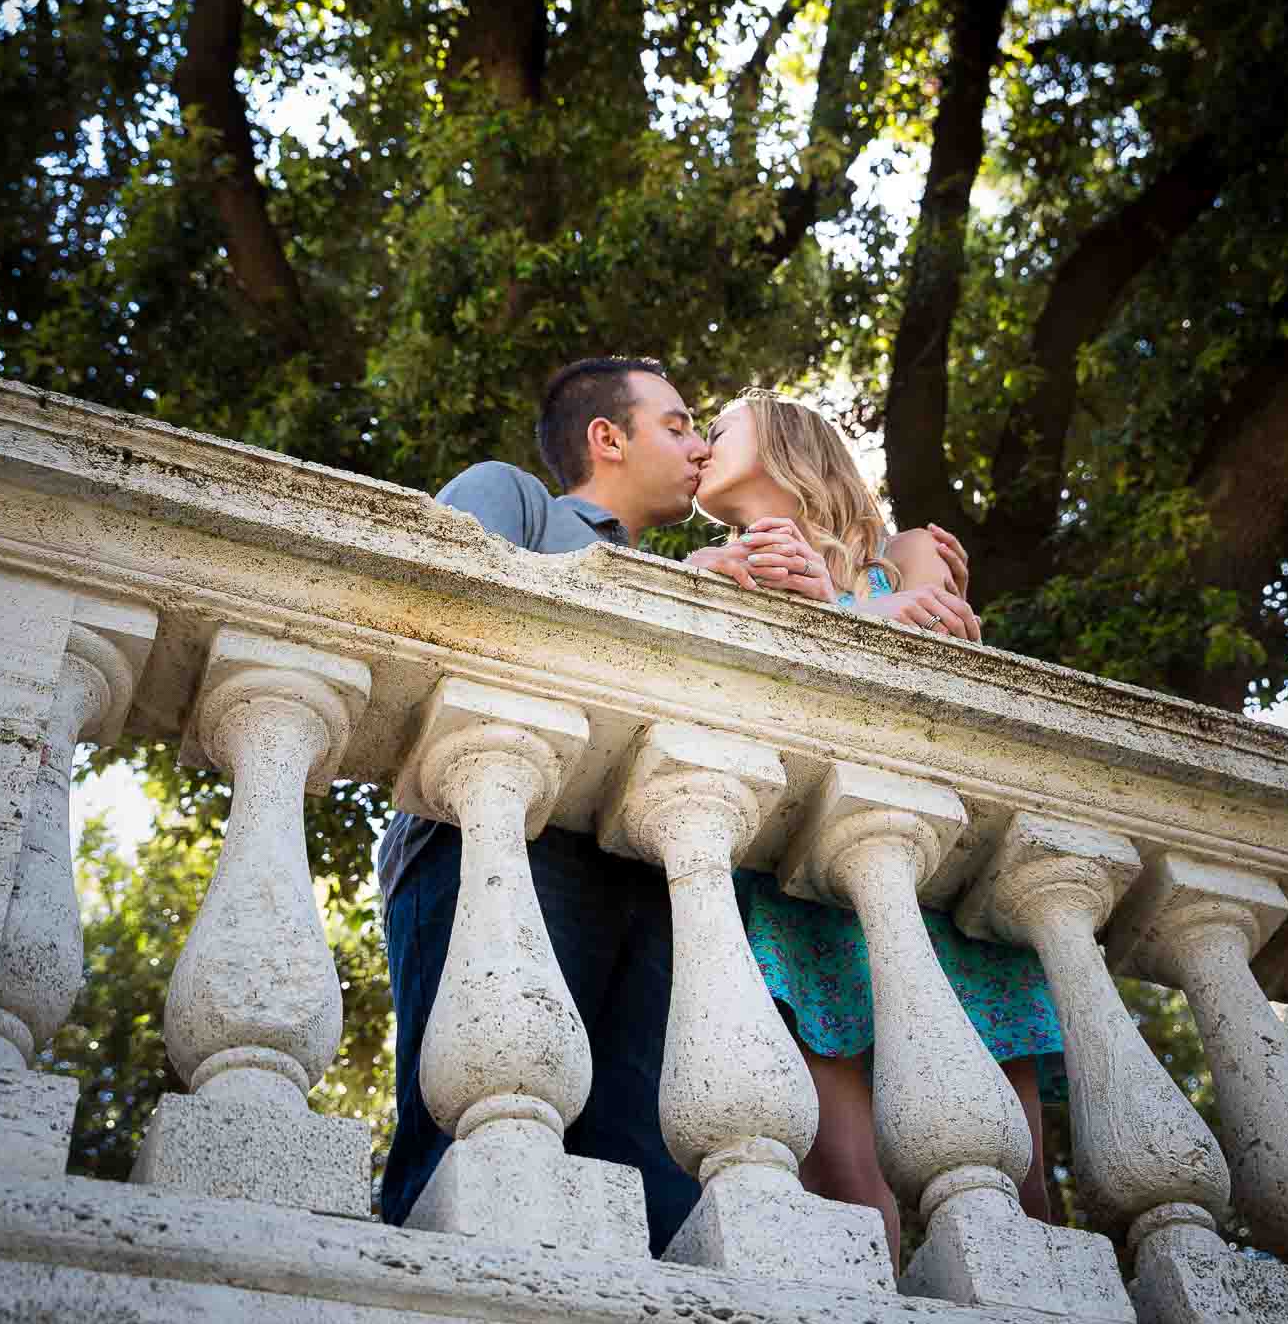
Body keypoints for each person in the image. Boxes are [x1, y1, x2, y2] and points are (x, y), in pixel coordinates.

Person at [380, 356, 972, 1256]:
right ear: (606, 439)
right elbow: (440, 607)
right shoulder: (517, 499)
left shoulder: (717, 568)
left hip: (664, 876)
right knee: (480, 1127)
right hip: (502, 843)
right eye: (679, 424)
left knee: (653, 1177)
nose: (699, 447)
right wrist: (682, 583)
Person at [688, 388, 1064, 1267]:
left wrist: (852, 607)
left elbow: (951, 674)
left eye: (718, 429)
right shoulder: (714, 563)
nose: (701, 446)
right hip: (802, 896)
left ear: (785, 443)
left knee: (1017, 1174)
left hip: (933, 888)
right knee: (845, 1177)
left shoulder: (904, 554)